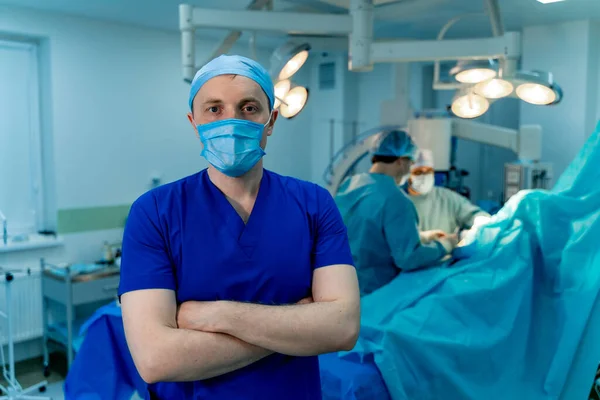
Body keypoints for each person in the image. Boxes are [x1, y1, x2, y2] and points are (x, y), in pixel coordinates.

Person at [118, 54, 360, 400]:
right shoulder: (155, 212)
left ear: (271, 120)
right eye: (214, 109)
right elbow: (156, 359)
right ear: (194, 121)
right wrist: (299, 325)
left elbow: (343, 328)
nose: (231, 121)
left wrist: (214, 314)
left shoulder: (314, 204)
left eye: (249, 108)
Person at [335, 130, 457, 296]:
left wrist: (421, 237)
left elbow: (364, 234)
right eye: (411, 162)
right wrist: (445, 245)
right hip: (375, 294)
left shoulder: (351, 184)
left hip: (341, 286)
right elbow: (408, 258)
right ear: (401, 161)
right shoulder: (396, 198)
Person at [407, 149, 491, 234]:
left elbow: (471, 213)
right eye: (418, 172)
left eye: (428, 171)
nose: (424, 176)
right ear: (408, 174)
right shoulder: (401, 201)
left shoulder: (447, 198)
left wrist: (481, 221)